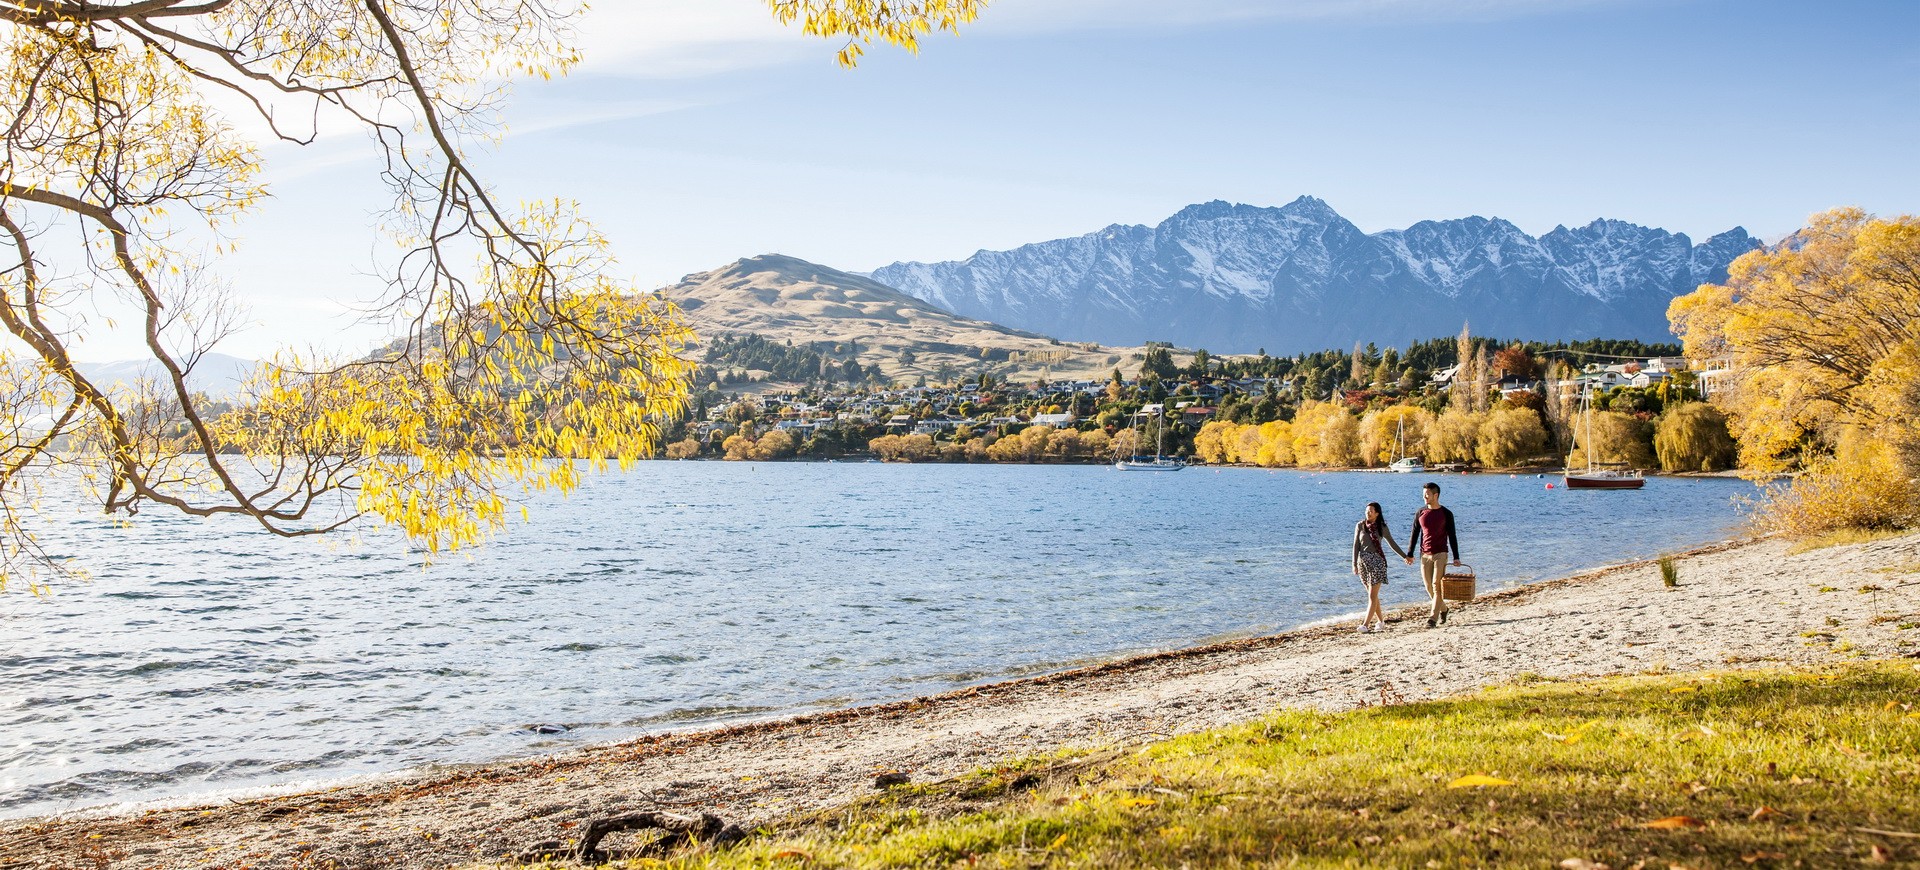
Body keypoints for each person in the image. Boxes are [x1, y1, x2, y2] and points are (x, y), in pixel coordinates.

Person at [1405, 481, 1461, 628]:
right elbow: (1415, 533)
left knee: (1437, 585)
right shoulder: (1420, 512)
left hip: (1441, 554)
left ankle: (1432, 618)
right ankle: (1443, 609)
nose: (1424, 496)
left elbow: (1452, 535)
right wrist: (1409, 553)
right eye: (1423, 493)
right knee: (1428, 586)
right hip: (1425, 554)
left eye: (1427, 494)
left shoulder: (1446, 514)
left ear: (1435, 495)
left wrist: (1456, 557)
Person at [1351, 501, 1407, 632]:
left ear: (1377, 513)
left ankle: (1365, 625)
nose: (1368, 513)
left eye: (1371, 511)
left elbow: (1392, 543)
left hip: (1377, 562)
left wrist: (1405, 556)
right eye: (1366, 511)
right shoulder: (1360, 525)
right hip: (1363, 563)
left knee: (1372, 596)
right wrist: (1354, 564)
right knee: (1373, 596)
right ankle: (1381, 622)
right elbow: (1356, 546)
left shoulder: (1382, 527)